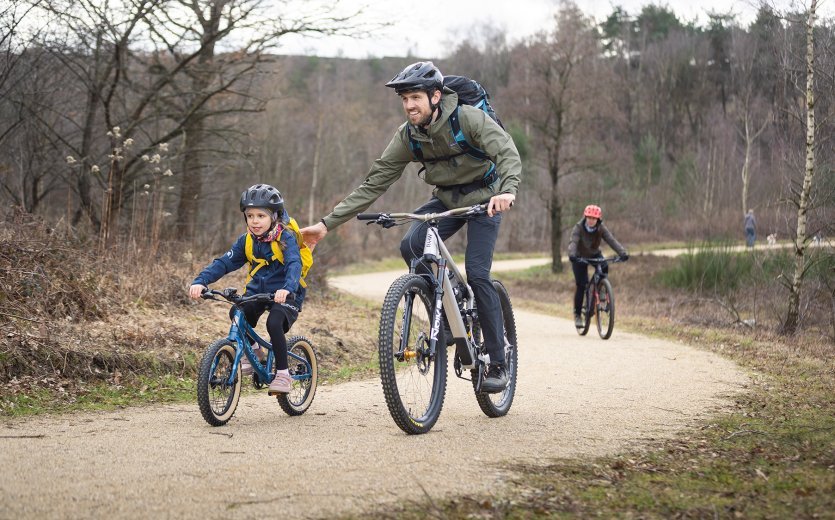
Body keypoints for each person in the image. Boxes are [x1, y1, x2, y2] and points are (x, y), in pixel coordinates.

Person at [300, 61, 521, 393]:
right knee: (411, 245)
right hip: (446, 200)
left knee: (477, 272)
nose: (409, 106)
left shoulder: (468, 119)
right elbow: (373, 184)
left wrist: (506, 191)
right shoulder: (408, 135)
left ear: (435, 96)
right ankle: (445, 320)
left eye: (415, 97)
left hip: (485, 200)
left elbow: (506, 152)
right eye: (404, 100)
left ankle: (498, 360)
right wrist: (325, 225)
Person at [188, 184, 305, 395]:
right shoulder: (246, 241)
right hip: (258, 291)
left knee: (274, 322)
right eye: (250, 215)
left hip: (287, 292)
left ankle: (283, 374)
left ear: (274, 217)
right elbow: (224, 263)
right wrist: (200, 281)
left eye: (261, 215)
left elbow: (294, 265)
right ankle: (253, 351)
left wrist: (287, 289)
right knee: (237, 312)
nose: (255, 221)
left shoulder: (285, 238)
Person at [567, 204, 628, 328]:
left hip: (595, 254)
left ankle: (600, 288)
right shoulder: (578, 228)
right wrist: (572, 254)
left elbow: (612, 240)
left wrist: (623, 253)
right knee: (581, 285)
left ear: (598, 220)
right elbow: (573, 242)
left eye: (594, 218)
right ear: (585, 217)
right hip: (579, 257)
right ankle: (578, 315)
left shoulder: (601, 228)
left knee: (604, 266)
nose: (591, 220)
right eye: (589, 218)